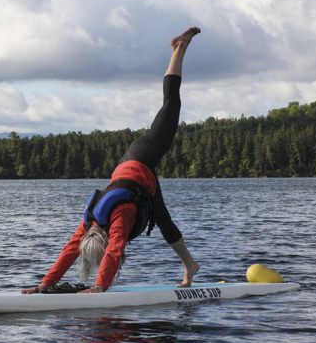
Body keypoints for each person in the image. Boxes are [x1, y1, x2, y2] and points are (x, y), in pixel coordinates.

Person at [23, 28, 201, 294]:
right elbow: (70, 249)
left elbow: (116, 249)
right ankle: (190, 266)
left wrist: (99, 287)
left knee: (170, 103)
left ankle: (179, 48)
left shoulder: (120, 216)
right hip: (137, 177)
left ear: (103, 239)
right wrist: (45, 284)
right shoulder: (89, 221)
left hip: (143, 155)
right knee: (162, 219)